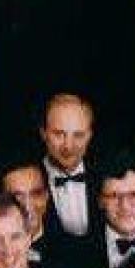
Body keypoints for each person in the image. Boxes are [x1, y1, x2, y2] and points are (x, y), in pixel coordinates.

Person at [39, 93, 99, 242]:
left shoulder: (106, 175)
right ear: (43, 133)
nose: (68, 146)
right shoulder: (28, 180)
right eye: (59, 134)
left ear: (90, 135)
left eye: (78, 135)